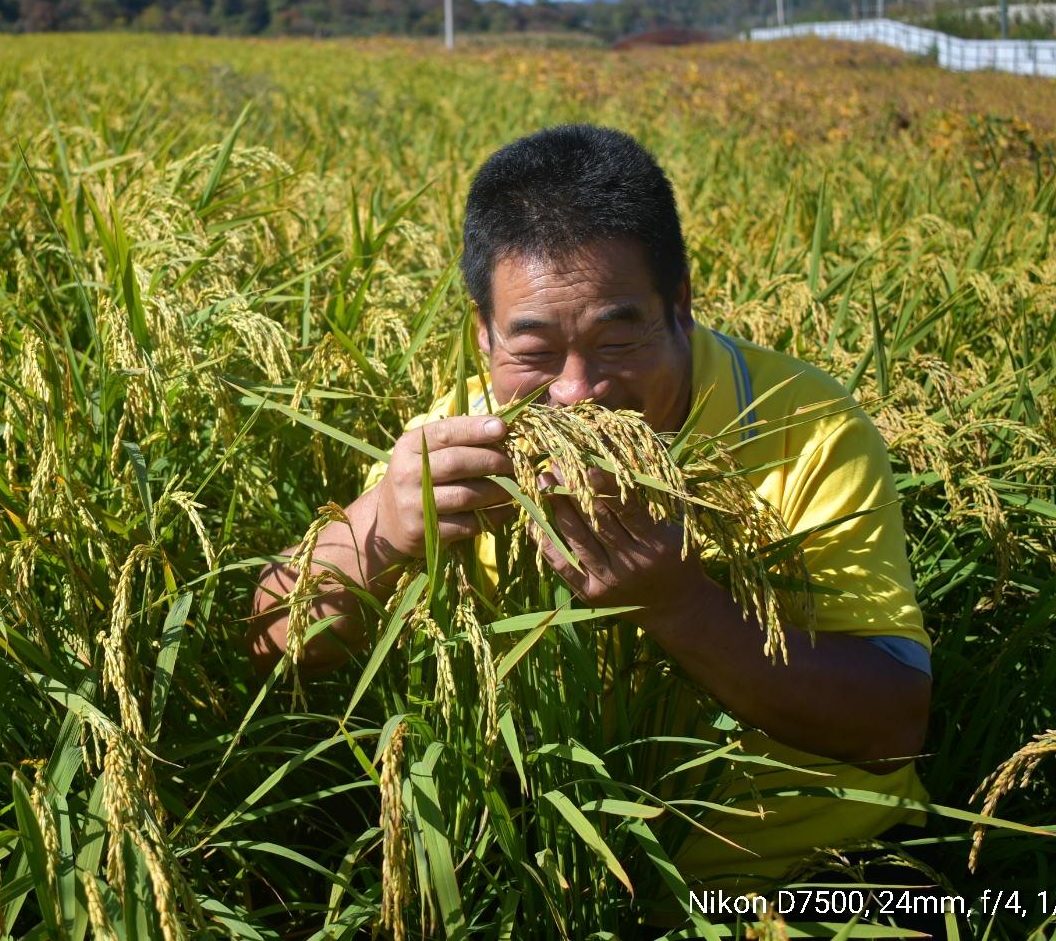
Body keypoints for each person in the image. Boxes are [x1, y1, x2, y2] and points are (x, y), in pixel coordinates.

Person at [246, 123, 932, 897]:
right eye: (534, 352)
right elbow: (274, 642)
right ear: (483, 334)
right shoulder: (462, 441)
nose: (577, 391)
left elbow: (893, 726)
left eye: (615, 340)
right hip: (547, 886)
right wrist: (382, 530)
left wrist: (680, 605)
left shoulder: (804, 430)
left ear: (679, 306)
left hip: (812, 880)